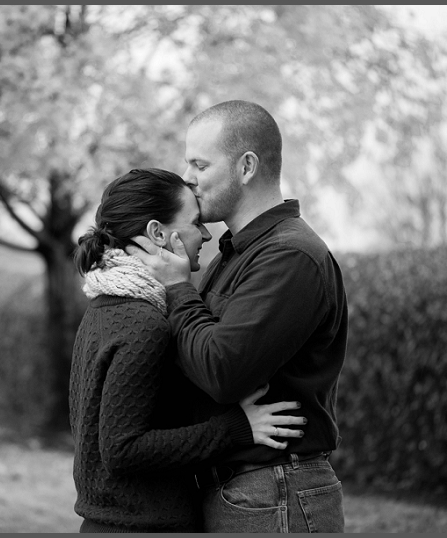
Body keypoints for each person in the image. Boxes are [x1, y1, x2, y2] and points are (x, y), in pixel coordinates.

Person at [127, 101, 348, 533]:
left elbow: (221, 371)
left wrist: (177, 289)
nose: (187, 178)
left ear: (246, 166)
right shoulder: (237, 251)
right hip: (247, 493)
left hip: (273, 492)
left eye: (200, 164)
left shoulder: (289, 257)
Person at [69, 168, 308, 533]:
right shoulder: (142, 322)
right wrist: (234, 429)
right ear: (158, 234)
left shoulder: (104, 307)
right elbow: (122, 449)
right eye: (196, 223)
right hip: (140, 528)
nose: (208, 234)